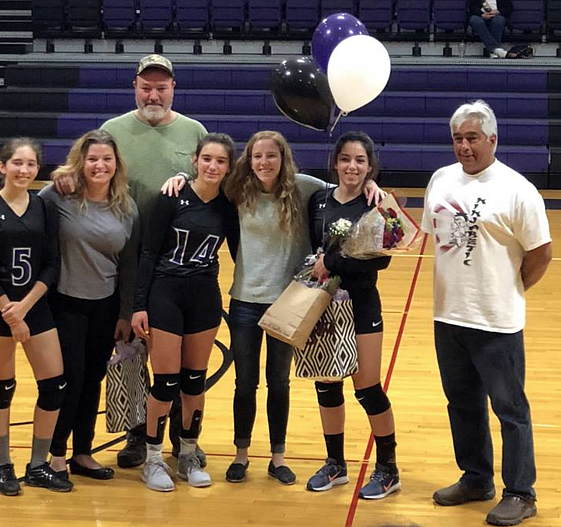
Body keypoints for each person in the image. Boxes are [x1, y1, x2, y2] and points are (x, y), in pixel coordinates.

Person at [163, 130, 384, 485]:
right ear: (248, 161)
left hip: (289, 302)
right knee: (244, 383)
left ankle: (278, 457)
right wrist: (180, 178)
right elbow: (201, 185)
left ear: (283, 159)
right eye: (257, 156)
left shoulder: (305, 188)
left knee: (279, 383)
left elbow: (347, 189)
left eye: (272, 156)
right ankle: (241, 455)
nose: (264, 162)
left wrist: (375, 189)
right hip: (245, 302)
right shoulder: (235, 192)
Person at [53, 53, 208, 469]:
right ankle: (137, 434)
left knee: (175, 356)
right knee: (131, 349)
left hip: (178, 259)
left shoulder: (194, 131)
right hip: (125, 255)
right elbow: (87, 167)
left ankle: (182, 437)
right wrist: (62, 176)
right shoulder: (113, 130)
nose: (153, 94)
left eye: (161, 86)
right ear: (135, 87)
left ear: (173, 88)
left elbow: (208, 183)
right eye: (146, 86)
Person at [422, 100, 551, 526]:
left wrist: (509, 290)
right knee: (462, 404)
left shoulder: (517, 189)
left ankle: (521, 493)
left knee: (510, 410)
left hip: (496, 321)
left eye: (472, 137)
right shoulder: (440, 180)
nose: (464, 146)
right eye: (458, 138)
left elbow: (541, 254)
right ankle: (476, 478)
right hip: (448, 316)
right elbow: (431, 238)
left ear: (492, 139)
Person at [132, 133, 239, 492]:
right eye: (207, 159)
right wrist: (139, 305)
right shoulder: (171, 197)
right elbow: (147, 254)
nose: (212, 166)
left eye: (221, 161)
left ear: (229, 167)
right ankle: (152, 458)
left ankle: (188, 454)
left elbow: (241, 252)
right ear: (195, 160)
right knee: (165, 383)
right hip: (166, 293)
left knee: (194, 381)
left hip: (204, 296)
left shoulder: (229, 205)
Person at [0, 138, 73, 495]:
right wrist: (10, 314)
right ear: (2, 167)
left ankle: (38, 464)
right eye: (16, 163)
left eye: (30, 164)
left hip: (35, 306)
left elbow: (51, 265)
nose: (24, 170)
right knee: (2, 387)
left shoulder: (44, 208)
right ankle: (3, 466)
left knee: (55, 385)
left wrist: (25, 308)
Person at [39, 130, 140, 482]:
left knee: (93, 379)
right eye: (92, 159)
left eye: (106, 159)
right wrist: (55, 178)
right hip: (65, 303)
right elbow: (28, 209)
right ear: (80, 162)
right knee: (71, 380)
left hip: (106, 305)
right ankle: (54, 455)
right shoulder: (58, 197)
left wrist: (125, 313)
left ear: (116, 164)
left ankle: (83, 452)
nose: (99, 165)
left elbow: (129, 264)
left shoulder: (126, 206)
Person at [305, 132, 399, 499]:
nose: (352, 167)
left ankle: (388, 469)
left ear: (370, 166)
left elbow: (384, 256)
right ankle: (336, 465)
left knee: (368, 389)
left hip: (361, 303)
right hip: (324, 304)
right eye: (345, 159)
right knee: (327, 385)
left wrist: (333, 261)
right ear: (335, 162)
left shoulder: (379, 203)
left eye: (360, 161)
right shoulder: (319, 200)